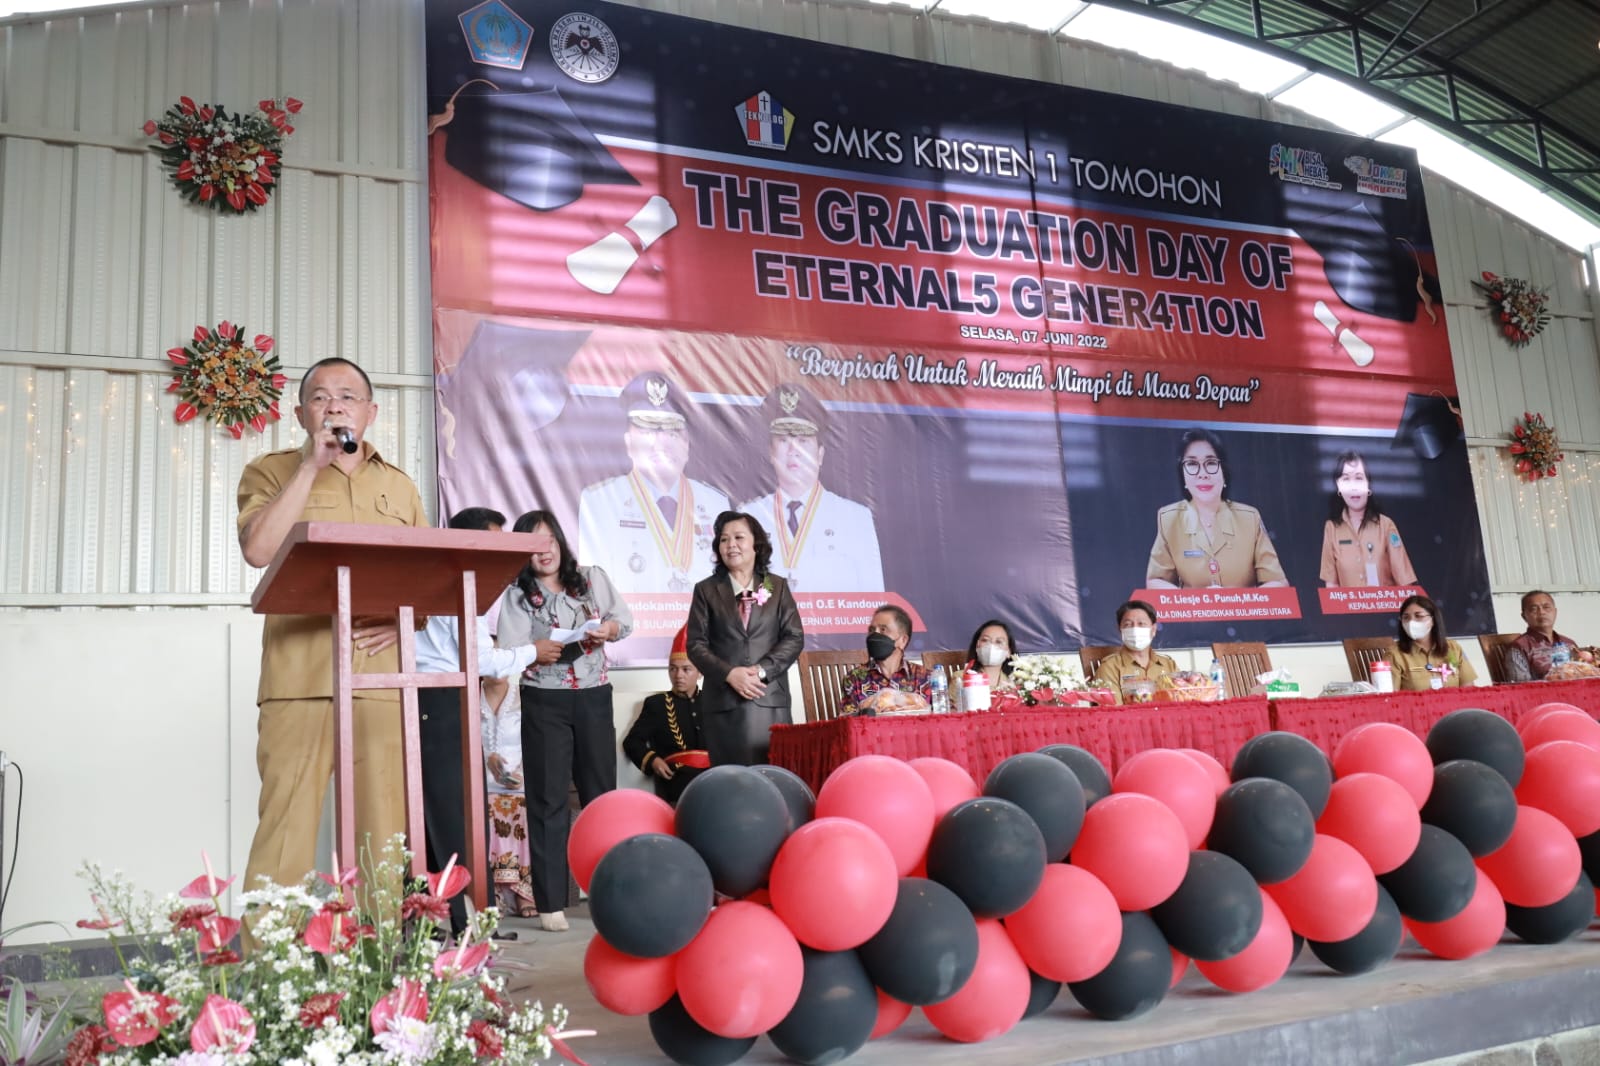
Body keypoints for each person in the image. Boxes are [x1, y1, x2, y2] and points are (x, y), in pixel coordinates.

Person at [236, 357, 424, 900]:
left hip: (382, 681)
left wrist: (402, 617)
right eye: (320, 397)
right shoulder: (270, 472)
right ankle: (273, 971)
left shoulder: (400, 486)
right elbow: (259, 549)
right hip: (301, 677)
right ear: (301, 413)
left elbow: (429, 577)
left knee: (383, 831)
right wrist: (309, 470)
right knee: (285, 828)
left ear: (370, 411)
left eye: (347, 395)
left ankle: (379, 964)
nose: (335, 404)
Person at [497, 510, 633, 932]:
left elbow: (624, 621)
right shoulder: (518, 595)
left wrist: (605, 629)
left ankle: (611, 893)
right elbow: (509, 648)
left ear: (560, 542)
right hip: (544, 701)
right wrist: (538, 648)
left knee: (601, 797)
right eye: (533, 547)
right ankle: (550, 901)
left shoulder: (591, 578)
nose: (544, 553)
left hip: (593, 697)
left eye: (549, 542)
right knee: (547, 800)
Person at [414, 507, 544, 935]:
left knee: (435, 812)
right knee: (452, 815)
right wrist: (532, 652)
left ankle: (445, 922)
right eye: (494, 539)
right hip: (443, 698)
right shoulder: (460, 584)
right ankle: (466, 921)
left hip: (427, 697)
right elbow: (484, 662)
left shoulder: (438, 578)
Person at [577, 371, 730, 596]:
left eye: (671, 432)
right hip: (632, 627)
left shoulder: (716, 503)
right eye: (648, 430)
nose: (660, 444)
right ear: (629, 442)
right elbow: (593, 587)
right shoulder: (599, 501)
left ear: (687, 444)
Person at [738, 383, 884, 592]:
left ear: (820, 455)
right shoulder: (747, 518)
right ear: (771, 452)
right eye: (783, 440)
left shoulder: (855, 518)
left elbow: (873, 602)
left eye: (803, 440)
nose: (793, 450)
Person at [686, 511, 805, 765]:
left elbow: (794, 637)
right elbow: (695, 645)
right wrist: (730, 674)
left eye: (738, 537)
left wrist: (761, 671)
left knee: (773, 777)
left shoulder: (776, 586)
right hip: (723, 702)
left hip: (769, 698)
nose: (730, 545)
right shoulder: (706, 590)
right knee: (730, 782)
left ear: (756, 544)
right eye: (724, 540)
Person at [1147, 429, 1287, 589]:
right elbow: (1155, 582)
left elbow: (1278, 582)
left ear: (1224, 472)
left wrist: (1234, 602)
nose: (1203, 474)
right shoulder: (1168, 519)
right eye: (1192, 464)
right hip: (1194, 613)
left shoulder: (1249, 518)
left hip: (1243, 613)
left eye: (1211, 463)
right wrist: (1199, 601)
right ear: (1183, 474)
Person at [621, 625, 710, 804]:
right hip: (675, 784)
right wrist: (653, 761)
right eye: (673, 669)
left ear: (700, 672)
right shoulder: (657, 704)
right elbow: (632, 742)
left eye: (686, 669)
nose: (678, 675)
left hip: (712, 781)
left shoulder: (713, 703)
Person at [1319, 450, 1418, 587]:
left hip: (1387, 607)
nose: (1353, 486)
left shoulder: (1386, 525)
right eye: (1346, 479)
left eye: (1359, 478)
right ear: (1338, 487)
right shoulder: (1332, 528)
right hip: (1348, 608)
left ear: (1368, 484)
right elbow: (1331, 586)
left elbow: (1405, 583)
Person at [480, 679, 535, 919]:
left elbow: (538, 743)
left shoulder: (526, 696)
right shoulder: (469, 696)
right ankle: (492, 892)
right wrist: (486, 761)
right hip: (480, 781)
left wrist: (521, 775)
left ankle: (524, 892)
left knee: (520, 808)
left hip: (521, 781)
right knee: (488, 808)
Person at [839, 605, 933, 715]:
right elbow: (848, 722)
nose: (875, 635)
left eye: (883, 629)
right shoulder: (855, 678)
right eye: (872, 630)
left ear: (902, 640)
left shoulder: (926, 678)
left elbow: (943, 718)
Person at [1092, 600, 1180, 704]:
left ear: (1153, 630)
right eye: (1128, 624)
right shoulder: (1109, 668)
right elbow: (1112, 714)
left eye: (1141, 624)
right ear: (1120, 630)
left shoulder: (1169, 664)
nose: (1135, 629)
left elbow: (1183, 702)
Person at [1385, 594, 1479, 690]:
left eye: (1418, 616)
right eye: (1406, 617)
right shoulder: (1394, 654)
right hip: (1416, 705)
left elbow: (1468, 688)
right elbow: (1390, 697)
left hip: (1453, 704)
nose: (1411, 622)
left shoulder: (1453, 648)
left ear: (1433, 620)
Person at [1506, 590, 1596, 681]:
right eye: (1534, 609)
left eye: (1546, 607)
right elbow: (1521, 686)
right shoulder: (1519, 647)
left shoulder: (1569, 643)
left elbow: (1583, 674)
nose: (1541, 612)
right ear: (1524, 616)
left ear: (1555, 612)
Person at [964, 619, 1019, 694]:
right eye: (985, 640)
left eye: (998, 642)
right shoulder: (961, 678)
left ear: (1009, 652)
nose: (991, 646)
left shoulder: (1016, 682)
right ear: (977, 646)